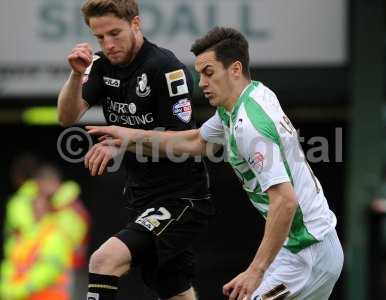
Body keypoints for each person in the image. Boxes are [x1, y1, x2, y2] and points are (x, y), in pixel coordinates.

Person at [86, 27, 344, 300]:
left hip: (307, 252)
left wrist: (255, 271)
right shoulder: (245, 100)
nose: (202, 83)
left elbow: (285, 201)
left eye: (209, 72)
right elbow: (196, 142)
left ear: (234, 69)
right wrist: (128, 136)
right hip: (301, 248)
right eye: (199, 74)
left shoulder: (251, 126)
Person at [57, 1, 213, 299]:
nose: (108, 44)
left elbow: (183, 142)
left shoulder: (164, 67)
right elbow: (66, 117)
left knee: (103, 261)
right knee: (174, 290)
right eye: (100, 37)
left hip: (182, 199)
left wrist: (122, 139)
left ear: (136, 24)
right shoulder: (101, 66)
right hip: (143, 197)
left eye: (115, 33)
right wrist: (76, 76)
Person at [0, 164, 88, 300]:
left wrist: (15, 290)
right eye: (34, 202)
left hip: (54, 288)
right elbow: (11, 264)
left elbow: (49, 270)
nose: (35, 207)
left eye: (40, 202)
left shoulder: (55, 233)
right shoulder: (26, 237)